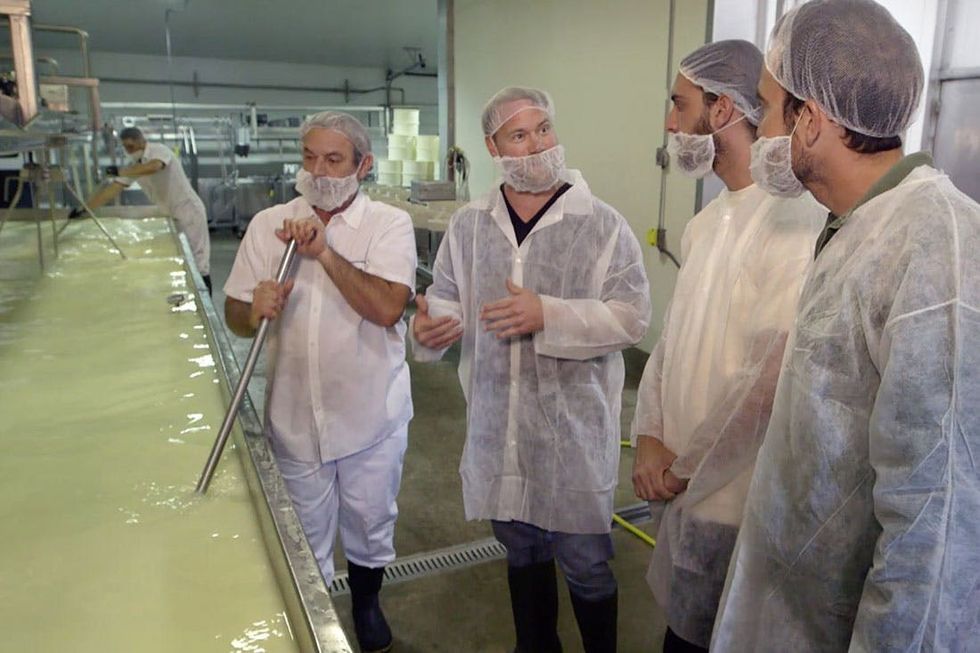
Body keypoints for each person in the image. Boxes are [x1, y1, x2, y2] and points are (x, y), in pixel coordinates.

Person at [710, 1, 980, 651]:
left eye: (769, 108)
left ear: (814, 121)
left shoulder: (935, 249)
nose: (760, 130)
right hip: (796, 608)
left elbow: (933, 533)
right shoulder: (861, 227)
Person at [411, 86, 650, 653]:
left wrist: (548, 313)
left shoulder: (602, 224)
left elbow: (633, 317)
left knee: (585, 560)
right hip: (499, 429)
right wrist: (428, 329)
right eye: (520, 135)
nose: (538, 145)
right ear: (494, 147)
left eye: (544, 129)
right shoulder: (469, 225)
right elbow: (444, 300)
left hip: (575, 431)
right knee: (521, 547)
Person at [630, 39, 825, 653]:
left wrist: (686, 469)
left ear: (722, 112)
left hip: (735, 501)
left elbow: (766, 384)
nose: (668, 122)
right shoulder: (707, 222)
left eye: (678, 103)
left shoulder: (795, 223)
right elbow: (673, 343)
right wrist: (652, 434)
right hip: (684, 486)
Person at [223, 111, 416, 653]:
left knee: (370, 520)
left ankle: (366, 602)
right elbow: (236, 314)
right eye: (309, 157)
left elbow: (385, 308)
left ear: (364, 165)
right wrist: (251, 307)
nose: (318, 170)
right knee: (302, 536)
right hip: (294, 414)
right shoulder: (269, 225)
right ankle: (315, 619)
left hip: (369, 413)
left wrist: (324, 251)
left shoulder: (387, 226)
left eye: (334, 159)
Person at [70, 127, 212, 291]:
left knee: (198, 262)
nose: (128, 151)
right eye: (125, 148)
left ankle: (205, 298)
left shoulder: (158, 151)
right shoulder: (135, 165)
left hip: (189, 212)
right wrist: (85, 208)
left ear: (141, 141)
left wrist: (120, 170)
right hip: (172, 214)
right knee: (185, 259)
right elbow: (113, 189)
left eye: (130, 147)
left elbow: (154, 167)